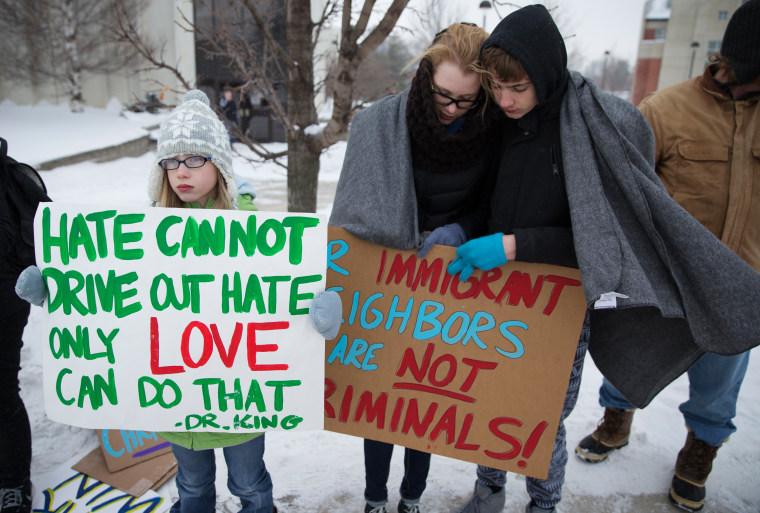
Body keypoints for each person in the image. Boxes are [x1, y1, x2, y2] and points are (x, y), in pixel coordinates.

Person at [14, 89, 341, 513]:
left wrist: (316, 315)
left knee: (251, 486)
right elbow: (110, 300)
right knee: (191, 488)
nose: (180, 171)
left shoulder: (256, 234)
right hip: (176, 407)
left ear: (218, 165)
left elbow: (279, 303)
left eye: (193, 159)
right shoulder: (145, 236)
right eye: (170, 161)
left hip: (242, 406)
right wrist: (60, 291)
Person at [575, 1, 760, 511]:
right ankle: (615, 421)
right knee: (630, 353)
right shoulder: (666, 110)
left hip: (741, 281)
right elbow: (622, 190)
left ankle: (699, 452)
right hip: (664, 281)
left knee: (719, 382)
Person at [329, 22, 502, 513]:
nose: (452, 108)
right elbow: (350, 208)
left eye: (466, 100)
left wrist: (463, 230)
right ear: (425, 76)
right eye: (443, 94)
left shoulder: (492, 132)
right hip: (386, 281)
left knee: (425, 399)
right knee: (380, 399)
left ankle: (411, 499)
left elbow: (492, 204)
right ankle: (373, 498)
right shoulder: (382, 123)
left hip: (447, 280)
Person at [444, 6, 590, 513]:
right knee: (488, 395)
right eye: (496, 86)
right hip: (498, 295)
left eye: (518, 88)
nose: (505, 100)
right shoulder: (500, 123)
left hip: (559, 305)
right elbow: (485, 197)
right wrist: (465, 228)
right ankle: (489, 488)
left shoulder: (582, 132)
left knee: (540, 413)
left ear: (545, 77)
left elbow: (597, 239)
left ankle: (543, 504)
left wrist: (512, 245)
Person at [0, 138, 50, 513]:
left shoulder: (15, 179)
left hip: (4, 295)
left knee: (1, 389)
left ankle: (12, 482)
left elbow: (57, 241)